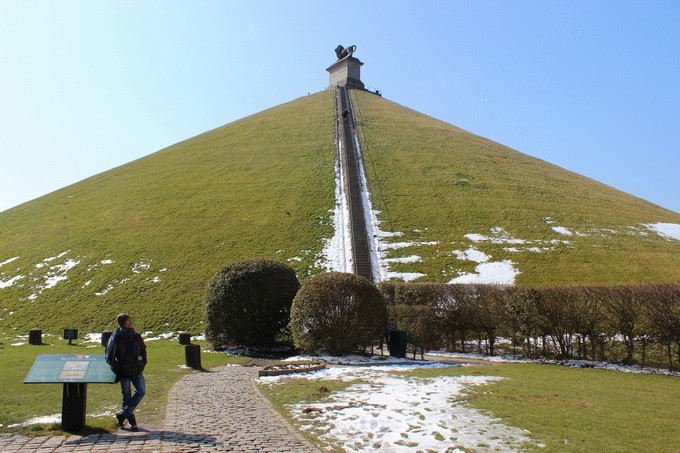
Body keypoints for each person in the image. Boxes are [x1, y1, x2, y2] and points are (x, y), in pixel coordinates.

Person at [105, 313, 147, 430]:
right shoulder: (116, 338)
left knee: (141, 391)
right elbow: (110, 355)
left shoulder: (136, 336)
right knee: (126, 396)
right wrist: (118, 368)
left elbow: (143, 351)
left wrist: (142, 363)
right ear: (123, 323)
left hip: (136, 370)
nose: (131, 323)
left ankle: (123, 414)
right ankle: (131, 420)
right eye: (129, 321)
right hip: (124, 372)